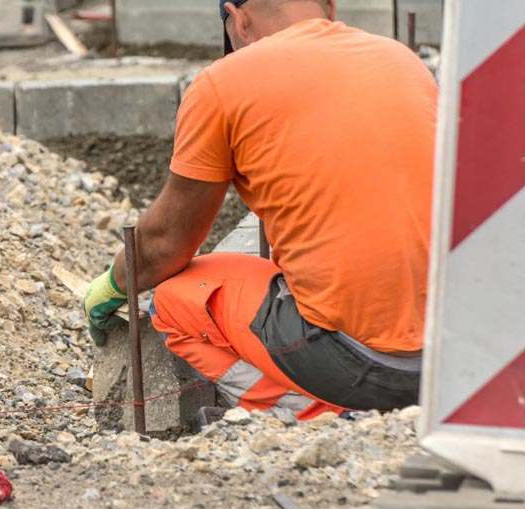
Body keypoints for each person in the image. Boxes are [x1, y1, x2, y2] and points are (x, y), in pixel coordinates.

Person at [84, 0, 438, 420]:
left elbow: (165, 245)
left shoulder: (224, 82)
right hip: (451, 355)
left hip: (357, 365)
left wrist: (113, 284)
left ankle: (319, 414)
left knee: (176, 298)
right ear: (329, 5)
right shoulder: (401, 59)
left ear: (239, 16)